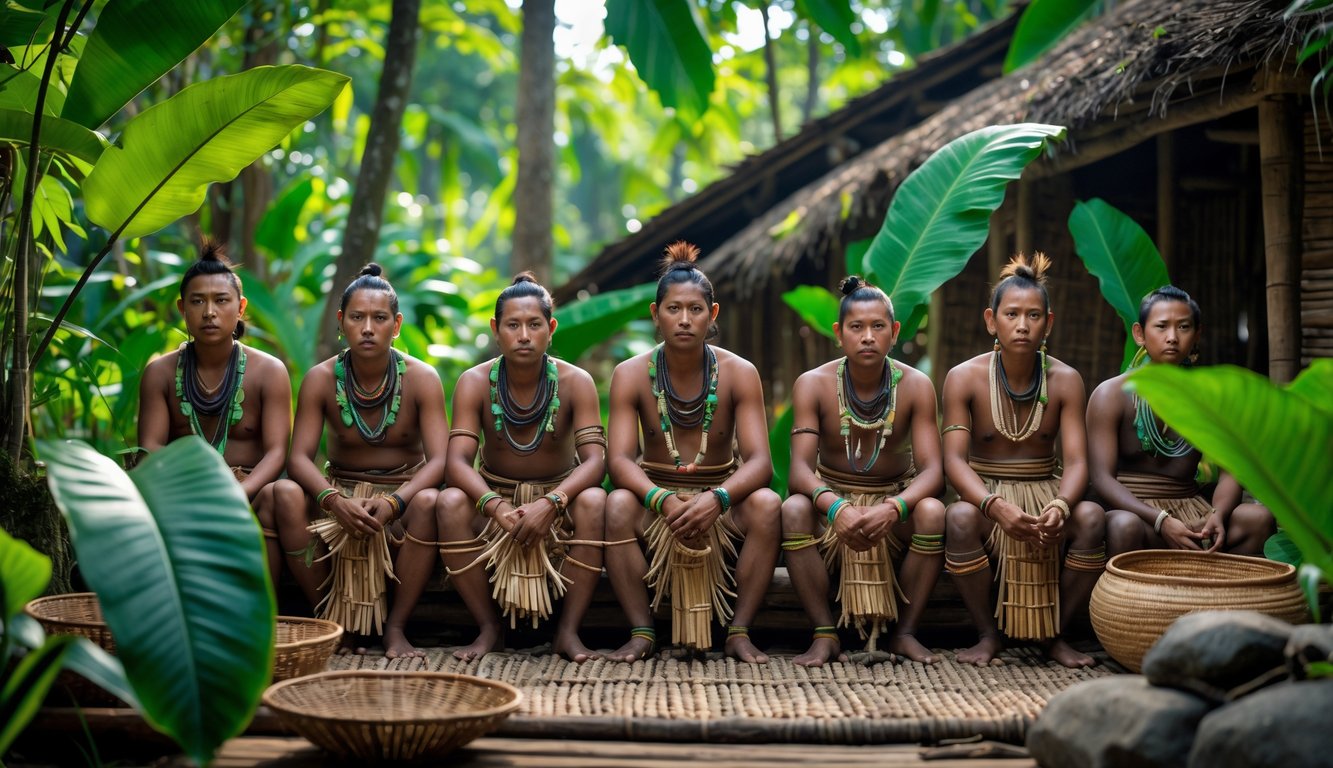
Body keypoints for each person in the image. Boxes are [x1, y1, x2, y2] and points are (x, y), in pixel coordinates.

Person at [603, 241, 781, 664]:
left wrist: (717, 499)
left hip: (720, 502)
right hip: (656, 500)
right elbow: (620, 461)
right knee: (614, 506)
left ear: (712, 314)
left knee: (769, 505)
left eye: (696, 310)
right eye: (673, 309)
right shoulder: (629, 375)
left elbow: (760, 464)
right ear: (655, 314)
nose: (684, 320)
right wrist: (661, 500)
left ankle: (738, 632)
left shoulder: (739, 373)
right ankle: (641, 631)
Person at [271, 263, 448, 659]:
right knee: (282, 493)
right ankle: (333, 624)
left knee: (432, 501)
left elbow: (440, 462)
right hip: (338, 499)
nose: (368, 327)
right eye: (357, 317)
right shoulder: (321, 379)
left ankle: (396, 628)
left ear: (397, 324)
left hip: (401, 499)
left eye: (379, 318)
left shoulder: (422, 378)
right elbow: (299, 458)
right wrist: (334, 501)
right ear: (341, 322)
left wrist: (394, 502)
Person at [940, 252, 1105, 669]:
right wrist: (993, 506)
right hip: (986, 492)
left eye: (1033, 315)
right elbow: (955, 462)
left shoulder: (1066, 380)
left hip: (1048, 491)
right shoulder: (964, 378)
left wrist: (1061, 505)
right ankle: (988, 634)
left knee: (1091, 519)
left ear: (1048, 323)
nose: (1022, 324)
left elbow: (1077, 461)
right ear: (991, 320)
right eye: (1011, 314)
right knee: (958, 519)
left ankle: (1054, 634)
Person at [436, 273, 608, 662]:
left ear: (551, 328)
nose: (524, 335)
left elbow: (596, 460)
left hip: (557, 511)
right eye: (513, 325)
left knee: (596, 501)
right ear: (497, 330)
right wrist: (495, 507)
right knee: (447, 504)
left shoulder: (575, 382)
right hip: (495, 507)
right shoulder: (474, 382)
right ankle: (489, 628)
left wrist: (551, 503)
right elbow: (457, 461)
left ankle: (567, 633)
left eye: (534, 325)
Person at [782, 277, 946, 666]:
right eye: (856, 327)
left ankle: (904, 632)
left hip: (894, 503)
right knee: (792, 510)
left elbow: (933, 472)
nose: (868, 337)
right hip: (831, 507)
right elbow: (799, 472)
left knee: (933, 512)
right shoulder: (813, 384)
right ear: (839, 333)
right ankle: (824, 632)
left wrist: (893, 508)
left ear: (895, 332)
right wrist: (836, 507)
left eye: (878, 327)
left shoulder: (917, 385)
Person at [138, 241, 291, 583]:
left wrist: (238, 492)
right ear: (182, 308)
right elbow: (151, 448)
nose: (209, 312)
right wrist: (198, 493)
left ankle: (268, 619)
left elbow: (277, 451)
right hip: (183, 491)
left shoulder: (269, 371)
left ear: (240, 307)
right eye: (198, 301)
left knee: (274, 499)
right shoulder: (160, 373)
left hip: (249, 489)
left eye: (221, 300)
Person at [1087, 285, 1275, 557]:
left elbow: (1231, 473)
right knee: (1123, 526)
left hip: (1192, 512)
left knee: (1258, 519)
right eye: (1161, 327)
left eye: (1184, 327)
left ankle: (1210, 594)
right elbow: (1101, 478)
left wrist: (1217, 514)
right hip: (1134, 514)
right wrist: (1160, 520)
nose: (1172, 337)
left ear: (1198, 334)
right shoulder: (1111, 395)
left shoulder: (1211, 399)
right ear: (1139, 334)